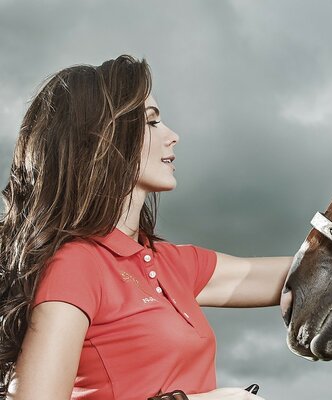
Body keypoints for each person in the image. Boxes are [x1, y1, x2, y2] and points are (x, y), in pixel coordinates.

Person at [0, 55, 292, 400]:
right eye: (151, 122)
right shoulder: (77, 264)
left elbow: (315, 270)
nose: (173, 136)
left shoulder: (173, 264)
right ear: (102, 139)